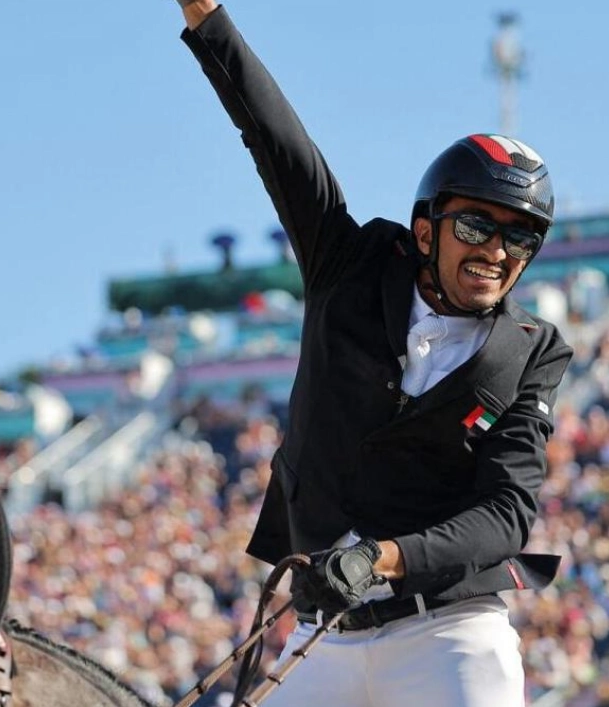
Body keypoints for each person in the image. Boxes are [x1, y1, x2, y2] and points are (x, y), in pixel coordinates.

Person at [171, 2, 573, 705]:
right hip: (324, 634)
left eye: (520, 239)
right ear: (426, 229)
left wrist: (384, 556)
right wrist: (208, 19)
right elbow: (275, 140)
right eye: (478, 223)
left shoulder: (532, 351)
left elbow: (506, 513)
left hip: (450, 635)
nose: (497, 251)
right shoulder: (345, 263)